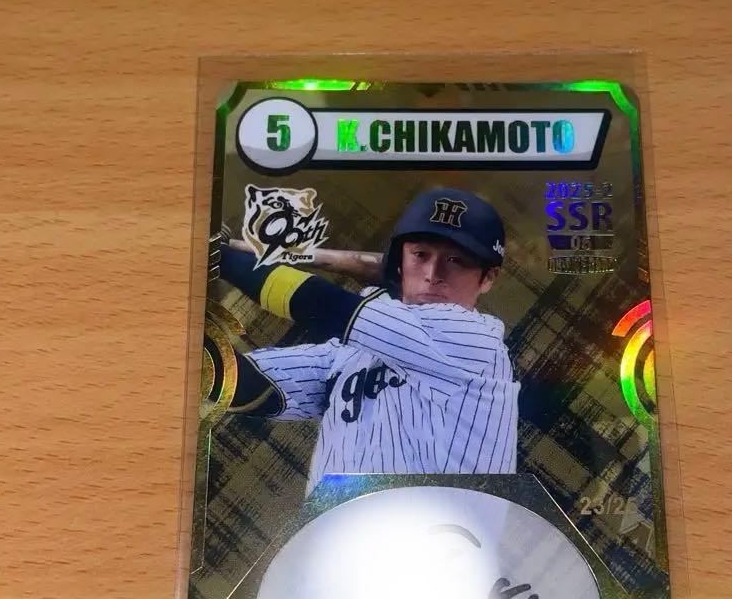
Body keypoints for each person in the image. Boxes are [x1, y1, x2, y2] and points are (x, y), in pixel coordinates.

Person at [216, 188, 519, 492]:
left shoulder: (478, 342)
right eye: (420, 255)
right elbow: (247, 385)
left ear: (488, 278)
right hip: (343, 521)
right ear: (399, 263)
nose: (432, 273)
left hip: (446, 521)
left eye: (456, 260)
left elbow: (320, 304)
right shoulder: (350, 354)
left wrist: (221, 257)